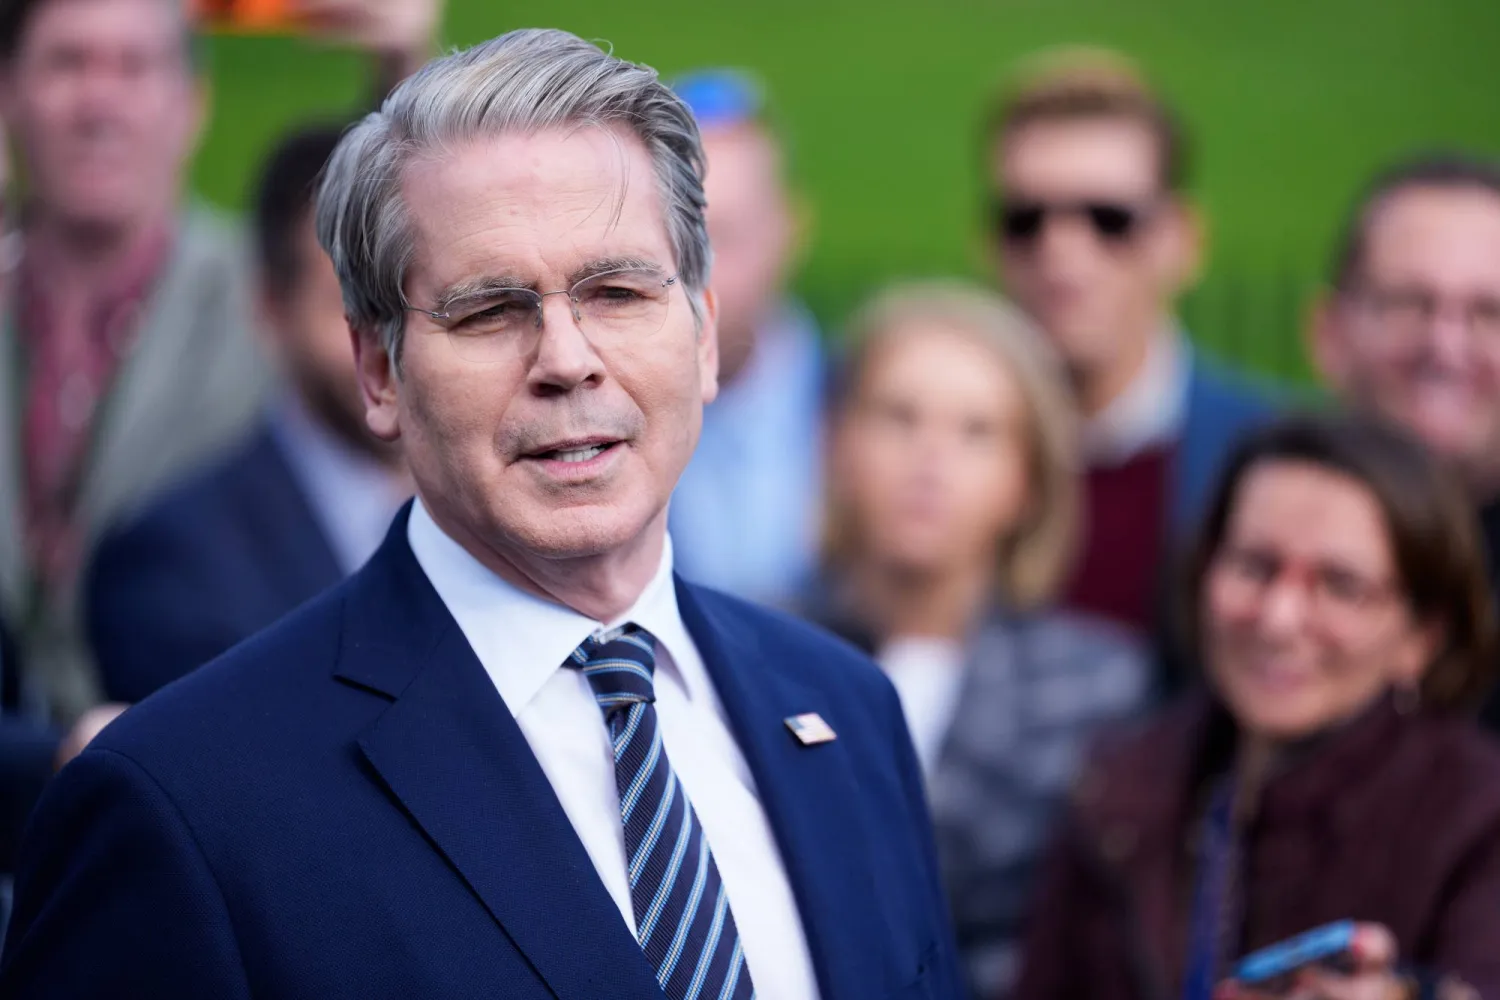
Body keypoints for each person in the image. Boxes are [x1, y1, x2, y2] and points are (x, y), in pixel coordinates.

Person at [0, 29, 963, 1000]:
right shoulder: (185, 801)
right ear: (378, 370)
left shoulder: (848, 710)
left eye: (617, 291)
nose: (567, 360)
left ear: (703, 334)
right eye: (490, 310)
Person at [0, 0, 440, 726]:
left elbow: (392, 261)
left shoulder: (259, 294)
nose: (99, 102)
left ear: (192, 103)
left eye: (134, 67)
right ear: (10, 90)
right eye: (68, 64)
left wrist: (401, 78)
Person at [1014, 414, 1500, 1000]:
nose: (1278, 618)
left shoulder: (1477, 819)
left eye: (1340, 585)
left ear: (1422, 637)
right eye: (1254, 566)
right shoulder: (1120, 783)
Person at [803, 282, 1151, 998]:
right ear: (837, 441)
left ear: (1028, 482)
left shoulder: (1102, 688)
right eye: (899, 417)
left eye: (977, 432)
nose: (930, 459)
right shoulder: (747, 647)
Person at [85, 123, 411, 703]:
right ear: (270, 310)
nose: (395, 343)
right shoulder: (171, 569)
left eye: (415, 297)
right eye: (352, 305)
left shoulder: (510, 515)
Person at [985, 48, 1275, 641]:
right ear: (990, 244)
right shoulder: (940, 446)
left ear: (1183, 240)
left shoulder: (1264, 454)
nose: (1061, 250)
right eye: (1026, 219)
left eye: (1109, 219)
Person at [1309, 153, 1500, 727]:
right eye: (1410, 304)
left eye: (1488, 313)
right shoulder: (1244, 549)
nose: (1446, 346)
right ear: (1329, 333)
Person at [665, 69, 825, 606]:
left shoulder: (857, 400)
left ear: (789, 231)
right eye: (673, 240)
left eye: (723, 237)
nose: (695, 273)